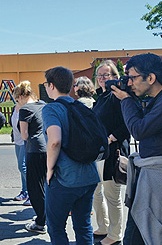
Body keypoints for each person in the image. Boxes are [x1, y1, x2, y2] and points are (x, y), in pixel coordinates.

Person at [111, 53, 162, 245]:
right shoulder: (155, 100)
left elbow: (139, 130)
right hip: (151, 177)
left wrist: (126, 100)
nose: (130, 83)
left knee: (144, 233)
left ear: (150, 78)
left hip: (157, 181)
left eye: (132, 77)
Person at [42, 66, 100, 245]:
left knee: (56, 226)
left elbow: (54, 141)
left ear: (51, 85)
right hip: (89, 175)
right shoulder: (81, 106)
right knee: (83, 225)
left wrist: (49, 169)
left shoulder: (51, 109)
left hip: (65, 177)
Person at [91, 60, 130, 245]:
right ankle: (103, 227)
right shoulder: (102, 97)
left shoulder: (117, 96)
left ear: (115, 76)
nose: (102, 78)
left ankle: (116, 235)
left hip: (112, 152)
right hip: (100, 153)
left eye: (106, 75)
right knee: (97, 191)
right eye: (99, 75)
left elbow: (127, 124)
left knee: (112, 195)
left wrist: (110, 138)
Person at [14, 81, 47, 234]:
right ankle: (47, 217)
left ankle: (40, 222)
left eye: (16, 99)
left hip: (34, 150)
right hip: (48, 147)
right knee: (47, 185)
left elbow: (24, 135)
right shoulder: (43, 104)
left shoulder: (25, 109)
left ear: (21, 96)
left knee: (34, 187)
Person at [10, 95, 29, 204]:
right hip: (17, 141)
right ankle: (25, 191)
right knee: (22, 168)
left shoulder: (26, 108)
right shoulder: (15, 107)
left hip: (24, 141)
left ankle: (33, 191)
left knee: (22, 167)